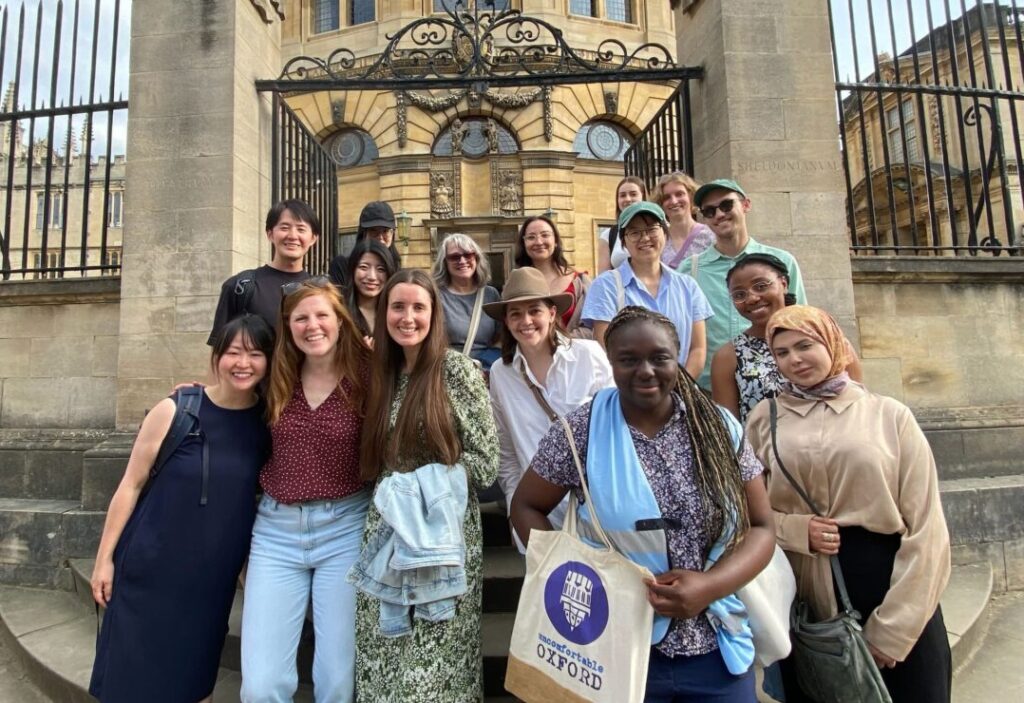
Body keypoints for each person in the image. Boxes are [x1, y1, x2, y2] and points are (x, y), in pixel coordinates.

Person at [510, 306, 775, 702]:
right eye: (628, 360)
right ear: (611, 363)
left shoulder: (719, 427)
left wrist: (709, 586)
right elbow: (525, 506)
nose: (646, 371)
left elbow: (762, 527)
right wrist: (572, 579)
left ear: (678, 356)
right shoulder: (579, 430)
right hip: (613, 649)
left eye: (659, 357)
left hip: (716, 649)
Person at [745, 306, 951, 703]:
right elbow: (743, 510)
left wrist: (895, 629)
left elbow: (927, 526)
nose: (794, 359)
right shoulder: (763, 420)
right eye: (782, 352)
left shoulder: (889, 415)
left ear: (833, 342)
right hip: (810, 591)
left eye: (805, 345)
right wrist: (794, 529)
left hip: (890, 581)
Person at [89, 315, 274, 703]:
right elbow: (130, 485)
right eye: (234, 353)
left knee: (193, 683)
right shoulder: (177, 409)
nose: (244, 363)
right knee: (129, 682)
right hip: (148, 569)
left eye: (256, 354)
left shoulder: (267, 424)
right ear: (216, 357)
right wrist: (104, 558)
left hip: (209, 581)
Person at [354, 269, 499, 702]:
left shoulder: (456, 371)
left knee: (435, 668)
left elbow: (486, 463)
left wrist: (420, 488)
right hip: (386, 535)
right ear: (383, 314)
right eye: (397, 307)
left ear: (435, 314)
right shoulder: (379, 375)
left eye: (419, 307)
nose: (408, 317)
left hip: (443, 534)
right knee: (383, 656)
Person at [240, 279, 371, 703]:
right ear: (288, 325)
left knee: (337, 677)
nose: (312, 326)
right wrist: (191, 394)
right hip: (277, 531)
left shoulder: (368, 375)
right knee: (261, 684)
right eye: (301, 317)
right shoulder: (275, 377)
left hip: (345, 527)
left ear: (340, 321)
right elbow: (226, 387)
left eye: (322, 316)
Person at [484, 266, 613, 549]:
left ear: (552, 314)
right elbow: (506, 451)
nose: (526, 321)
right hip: (537, 516)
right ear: (506, 321)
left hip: (596, 509)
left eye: (534, 311)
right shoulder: (501, 373)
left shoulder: (588, 355)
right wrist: (515, 506)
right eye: (515, 313)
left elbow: (617, 429)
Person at [680, 179, 807, 390]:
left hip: (776, 386)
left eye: (726, 205)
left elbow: (800, 322)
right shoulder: (689, 270)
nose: (719, 214)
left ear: (746, 205)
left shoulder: (782, 262)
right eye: (709, 211)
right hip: (710, 390)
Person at [709, 253, 865, 425]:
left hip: (835, 446)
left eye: (761, 286)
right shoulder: (728, 356)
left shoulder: (824, 337)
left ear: (783, 284)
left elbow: (857, 403)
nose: (752, 298)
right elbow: (729, 429)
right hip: (764, 450)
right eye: (739, 295)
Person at [582, 201, 713, 380]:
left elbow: (697, 348)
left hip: (680, 393)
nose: (645, 238)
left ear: (665, 234)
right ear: (624, 242)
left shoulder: (688, 286)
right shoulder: (606, 286)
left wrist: (679, 389)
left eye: (652, 229)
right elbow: (604, 348)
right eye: (635, 232)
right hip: (628, 392)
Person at [208, 199, 318, 344]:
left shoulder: (320, 291)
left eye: (301, 229)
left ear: (313, 238)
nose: (292, 236)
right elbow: (220, 352)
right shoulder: (239, 286)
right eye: (284, 228)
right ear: (270, 234)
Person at [514, 215, 592, 336]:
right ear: (524, 244)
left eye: (545, 235)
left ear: (555, 241)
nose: (539, 242)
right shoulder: (516, 284)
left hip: (573, 352)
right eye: (531, 237)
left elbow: (591, 327)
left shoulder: (580, 282)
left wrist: (557, 345)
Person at [433, 232, 501, 370]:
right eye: (454, 257)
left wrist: (485, 367)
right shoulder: (436, 296)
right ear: (444, 262)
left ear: (476, 258)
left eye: (468, 255)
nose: (462, 261)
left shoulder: (491, 294)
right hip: (449, 372)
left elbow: (501, 339)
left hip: (485, 372)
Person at [328, 201, 402, 291]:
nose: (380, 237)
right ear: (363, 234)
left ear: (392, 233)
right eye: (374, 230)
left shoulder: (398, 273)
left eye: (385, 231)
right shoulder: (342, 266)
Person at [654, 171, 716, 268]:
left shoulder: (710, 236)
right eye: (667, 197)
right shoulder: (658, 240)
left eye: (679, 194)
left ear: (691, 197)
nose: (674, 201)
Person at [345, 238, 398, 339]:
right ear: (353, 270)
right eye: (364, 267)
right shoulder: (339, 312)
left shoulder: (396, 313)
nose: (372, 277)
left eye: (381, 269)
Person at [597, 175, 646, 273]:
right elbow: (603, 277)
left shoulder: (658, 229)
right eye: (623, 195)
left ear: (643, 197)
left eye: (633, 194)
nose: (628, 199)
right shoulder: (608, 235)